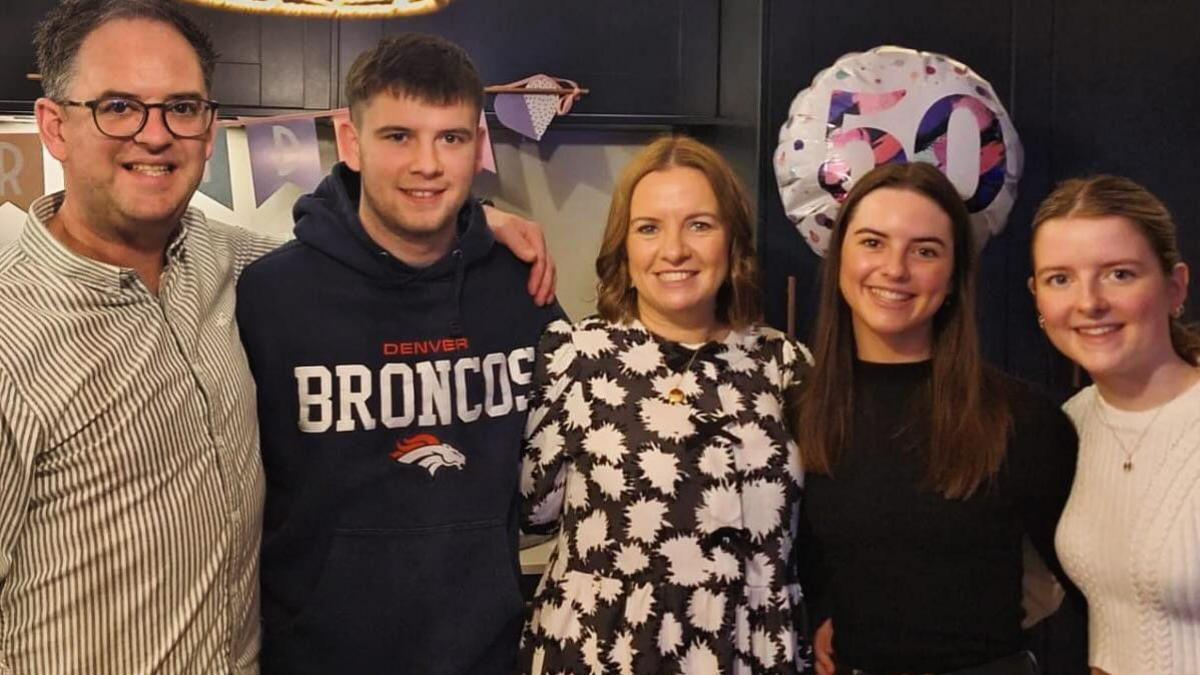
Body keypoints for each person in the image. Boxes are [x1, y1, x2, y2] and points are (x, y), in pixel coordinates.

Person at [0, 2, 553, 673]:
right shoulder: (12, 331)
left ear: (206, 127)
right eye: (118, 106)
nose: (154, 134)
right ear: (55, 126)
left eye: (180, 107)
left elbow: (366, 252)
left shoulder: (224, 264)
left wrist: (470, 226)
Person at [234, 33, 565, 674]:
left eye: (451, 137)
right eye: (398, 137)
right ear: (350, 142)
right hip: (316, 657)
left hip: (489, 655)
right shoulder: (271, 296)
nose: (427, 164)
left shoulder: (524, 287)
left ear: (477, 144)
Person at [519, 135, 813, 674]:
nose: (674, 250)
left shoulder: (784, 363)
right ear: (624, 250)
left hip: (751, 649)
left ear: (733, 243)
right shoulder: (574, 357)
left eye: (699, 224)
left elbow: (826, 529)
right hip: (603, 650)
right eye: (649, 228)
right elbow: (532, 510)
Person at [796, 162, 1078, 675]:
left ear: (952, 278)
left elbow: (1089, 592)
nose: (895, 269)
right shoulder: (800, 413)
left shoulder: (1022, 418)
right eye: (872, 243)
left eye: (925, 251)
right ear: (839, 259)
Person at [1030, 176, 1200, 675]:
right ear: (1037, 297)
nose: (1089, 302)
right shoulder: (1070, 423)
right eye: (1060, 278)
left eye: (1119, 274)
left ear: (1174, 287)